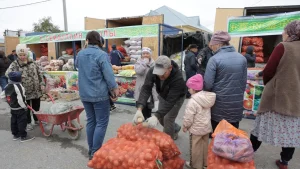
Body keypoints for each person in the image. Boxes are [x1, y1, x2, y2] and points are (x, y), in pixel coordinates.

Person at [250, 20, 300, 169]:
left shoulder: (283, 47)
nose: (283, 35)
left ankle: (248, 154)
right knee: (291, 134)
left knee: (260, 126)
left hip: (276, 96)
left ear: (290, 33)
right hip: (296, 99)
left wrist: (268, 83)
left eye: (284, 32)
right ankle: (284, 162)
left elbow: (269, 70)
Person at [75, 31, 119, 160]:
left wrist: (83, 49)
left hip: (84, 94)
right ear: (99, 41)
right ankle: (95, 152)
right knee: (101, 122)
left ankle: (91, 150)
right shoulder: (102, 54)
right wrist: (114, 88)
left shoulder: (80, 54)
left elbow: (77, 65)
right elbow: (109, 74)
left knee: (91, 121)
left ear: (87, 41)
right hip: (99, 94)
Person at [133, 56, 186, 140]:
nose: (160, 76)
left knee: (168, 119)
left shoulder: (178, 79)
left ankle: (168, 145)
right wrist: (139, 108)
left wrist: (156, 116)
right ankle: (175, 128)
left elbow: (170, 101)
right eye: (158, 73)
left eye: (163, 73)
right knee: (161, 118)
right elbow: (146, 88)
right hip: (163, 94)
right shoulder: (152, 70)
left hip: (176, 98)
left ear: (170, 68)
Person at [204, 31, 247, 132]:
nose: (212, 47)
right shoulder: (242, 58)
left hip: (218, 106)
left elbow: (208, 84)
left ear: (218, 44)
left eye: (213, 45)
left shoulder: (214, 59)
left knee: (218, 138)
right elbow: (243, 82)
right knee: (233, 137)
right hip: (236, 105)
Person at [6, 44, 45, 131]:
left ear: (27, 54)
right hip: (24, 91)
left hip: (36, 90)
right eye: (20, 55)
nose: (22, 57)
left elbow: (40, 74)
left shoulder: (33, 62)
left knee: (36, 106)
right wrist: (17, 76)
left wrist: (42, 84)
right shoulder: (14, 64)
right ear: (17, 55)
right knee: (26, 108)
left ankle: (37, 119)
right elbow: (7, 74)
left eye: (24, 55)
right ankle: (28, 123)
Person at [182, 74, 216, 169]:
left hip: (196, 130)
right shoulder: (206, 98)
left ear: (194, 88)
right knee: (204, 146)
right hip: (206, 128)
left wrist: (185, 126)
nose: (188, 90)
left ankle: (195, 165)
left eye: (189, 88)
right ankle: (205, 163)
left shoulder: (192, 101)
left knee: (195, 148)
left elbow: (189, 117)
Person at [0, 71, 35, 142]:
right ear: (18, 79)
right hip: (20, 108)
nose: (22, 78)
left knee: (14, 121)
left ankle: (15, 135)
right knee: (22, 121)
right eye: (21, 77)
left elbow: (2, 96)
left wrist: (9, 103)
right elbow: (21, 99)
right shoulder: (19, 86)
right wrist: (24, 106)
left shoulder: (7, 86)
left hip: (13, 108)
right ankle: (23, 136)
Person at [134, 47, 158, 119]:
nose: (145, 55)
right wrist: (144, 63)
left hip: (150, 90)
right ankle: (141, 127)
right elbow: (139, 71)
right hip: (140, 89)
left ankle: (147, 126)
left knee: (148, 110)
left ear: (150, 54)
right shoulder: (138, 62)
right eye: (143, 53)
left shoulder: (154, 63)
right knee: (141, 110)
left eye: (147, 53)